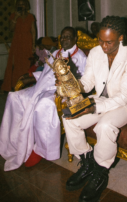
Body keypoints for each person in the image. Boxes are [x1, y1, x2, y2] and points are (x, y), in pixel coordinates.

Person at [62, 16, 127, 202]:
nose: (103, 46)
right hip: (99, 98)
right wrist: (71, 84)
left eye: (109, 42)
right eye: (100, 40)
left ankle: (100, 172)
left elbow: (124, 96)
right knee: (69, 117)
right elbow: (88, 82)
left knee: (105, 125)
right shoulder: (96, 52)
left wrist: (94, 107)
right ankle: (88, 162)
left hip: (126, 104)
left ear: (120, 38)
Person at [0, 27, 87, 171]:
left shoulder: (81, 57)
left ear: (75, 39)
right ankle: (13, 140)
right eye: (62, 37)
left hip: (61, 94)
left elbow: (81, 83)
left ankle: (41, 149)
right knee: (14, 97)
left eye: (68, 37)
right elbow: (45, 75)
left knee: (43, 105)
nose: (64, 39)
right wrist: (31, 77)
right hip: (41, 87)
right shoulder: (56, 53)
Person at [1, 0, 36, 92]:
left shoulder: (30, 16)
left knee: (26, 63)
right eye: (19, 4)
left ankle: (26, 85)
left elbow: (33, 31)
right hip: (17, 42)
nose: (21, 6)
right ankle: (15, 85)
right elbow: (11, 29)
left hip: (27, 41)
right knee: (15, 64)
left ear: (26, 5)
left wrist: (33, 45)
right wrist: (16, 17)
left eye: (23, 4)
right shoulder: (13, 15)